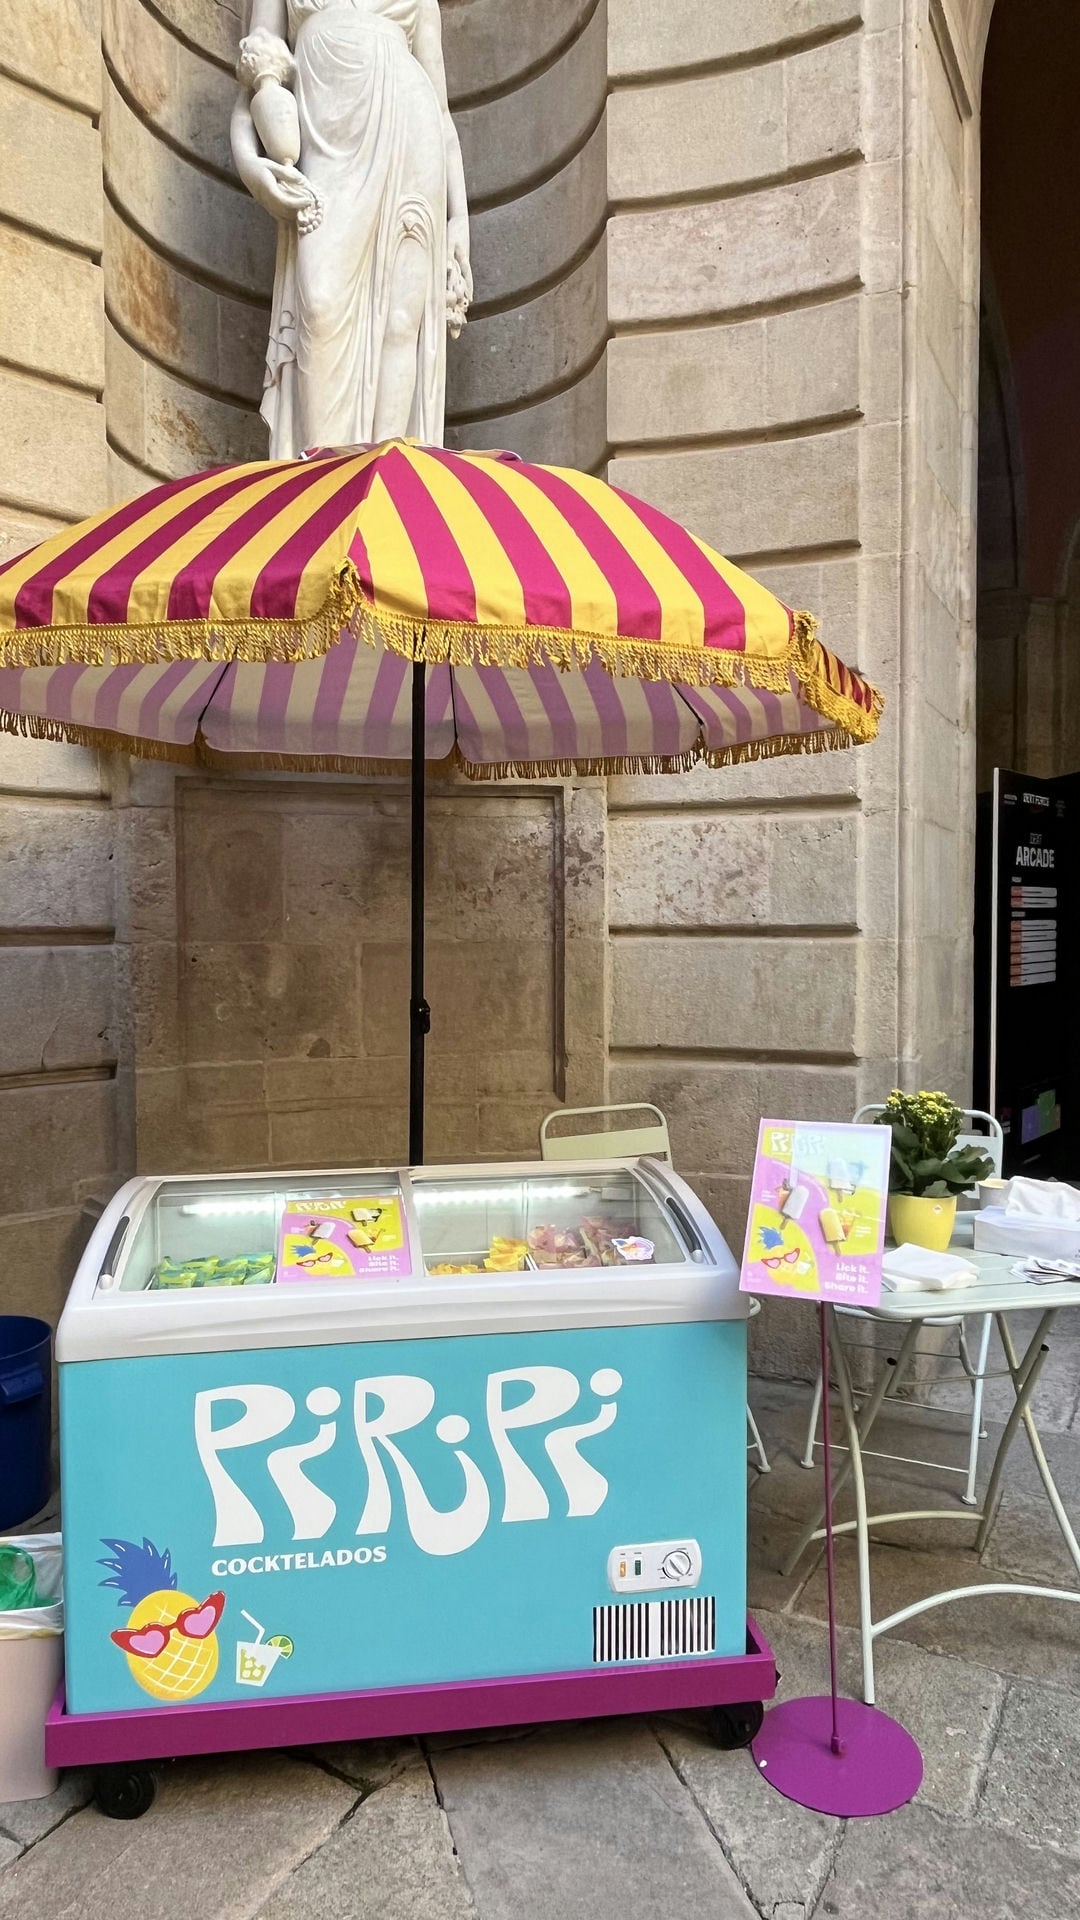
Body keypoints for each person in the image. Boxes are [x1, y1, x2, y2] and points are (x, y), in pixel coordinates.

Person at [231, 0, 471, 456]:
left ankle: (389, 474)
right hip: (325, 136)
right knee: (320, 306)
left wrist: (459, 217)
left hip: (410, 132)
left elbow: (442, 114)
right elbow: (255, 71)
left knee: (401, 322)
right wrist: (250, 165)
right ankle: (320, 478)